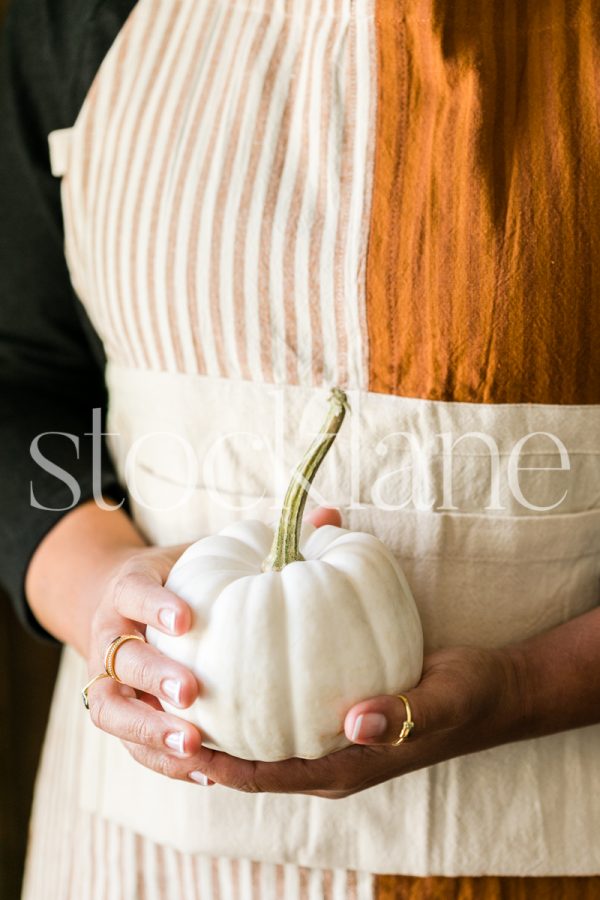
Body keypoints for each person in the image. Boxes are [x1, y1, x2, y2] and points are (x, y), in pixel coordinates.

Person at [1, 0, 599, 897]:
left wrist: (532, 685)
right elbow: (19, 377)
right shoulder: (72, 16)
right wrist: (99, 594)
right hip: (145, 851)